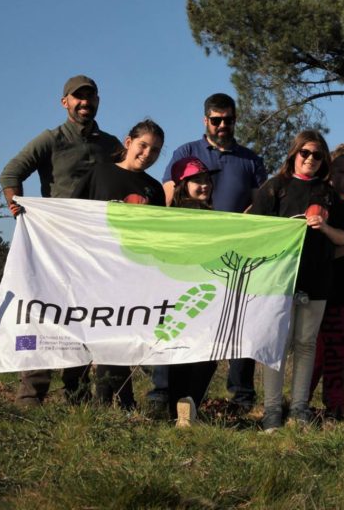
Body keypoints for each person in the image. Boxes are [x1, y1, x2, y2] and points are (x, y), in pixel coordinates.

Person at [0, 74, 122, 407]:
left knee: (82, 320)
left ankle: (78, 398)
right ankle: (30, 400)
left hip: (96, 248)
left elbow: (128, 177)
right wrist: (19, 209)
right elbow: (10, 174)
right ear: (64, 102)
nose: (85, 103)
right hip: (52, 246)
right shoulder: (50, 139)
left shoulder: (111, 145)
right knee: (43, 318)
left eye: (91, 96)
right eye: (77, 97)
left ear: (98, 100)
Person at [158, 93, 268, 413]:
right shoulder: (186, 152)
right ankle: (164, 394)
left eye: (228, 120)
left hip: (235, 256)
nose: (222, 125)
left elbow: (259, 205)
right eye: (216, 120)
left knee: (237, 323)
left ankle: (241, 397)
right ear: (205, 120)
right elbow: (168, 199)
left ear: (235, 120)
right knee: (181, 321)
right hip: (191, 256)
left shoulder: (250, 160)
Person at [248, 130, 344, 430]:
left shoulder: (326, 194)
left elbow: (340, 239)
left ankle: (299, 410)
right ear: (294, 154)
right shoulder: (275, 187)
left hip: (318, 279)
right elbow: (255, 231)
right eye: (305, 153)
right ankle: (272, 411)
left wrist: (323, 226)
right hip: (278, 282)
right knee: (277, 345)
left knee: (306, 344)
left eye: (317, 155)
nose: (310, 159)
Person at [80, 119, 167, 409]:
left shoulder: (154, 189)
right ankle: (104, 401)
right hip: (100, 269)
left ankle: (120, 399)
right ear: (128, 142)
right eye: (143, 145)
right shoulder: (100, 174)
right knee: (106, 335)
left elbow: (159, 234)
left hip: (135, 273)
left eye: (155, 150)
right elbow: (73, 213)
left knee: (125, 335)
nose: (147, 153)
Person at [308, 146, 344, 420]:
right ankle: (331, 408)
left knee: (332, 351)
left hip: (343, 292)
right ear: (330, 172)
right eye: (342, 171)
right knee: (327, 352)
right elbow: (320, 253)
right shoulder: (325, 204)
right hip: (326, 291)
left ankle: (327, 406)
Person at [163, 156, 223, 422]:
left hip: (204, 292)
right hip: (184, 293)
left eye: (206, 179)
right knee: (197, 351)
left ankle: (182, 408)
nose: (204, 185)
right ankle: (186, 405)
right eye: (196, 180)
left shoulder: (211, 215)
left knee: (196, 351)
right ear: (181, 184)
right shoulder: (177, 216)